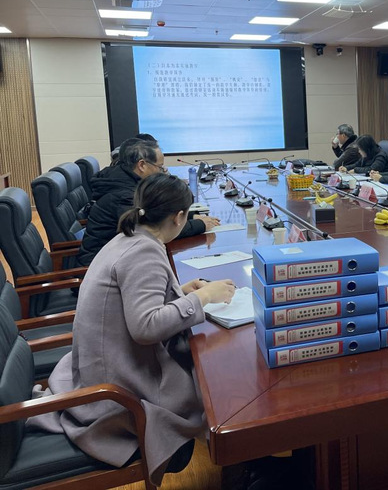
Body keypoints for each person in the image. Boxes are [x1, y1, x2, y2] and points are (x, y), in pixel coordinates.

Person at [28, 174, 236, 486]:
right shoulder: (144, 252)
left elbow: (135, 299)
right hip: (115, 391)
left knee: (206, 361)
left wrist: (179, 292)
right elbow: (145, 327)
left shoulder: (130, 237)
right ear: (179, 217)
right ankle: (242, 454)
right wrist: (202, 297)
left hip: (102, 363)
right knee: (217, 378)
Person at [78, 138, 219, 266]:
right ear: (142, 165)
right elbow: (156, 228)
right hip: (101, 268)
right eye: (160, 167)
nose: (163, 172)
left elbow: (155, 211)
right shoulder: (124, 195)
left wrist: (189, 216)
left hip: (118, 259)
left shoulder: (123, 179)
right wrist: (200, 225)